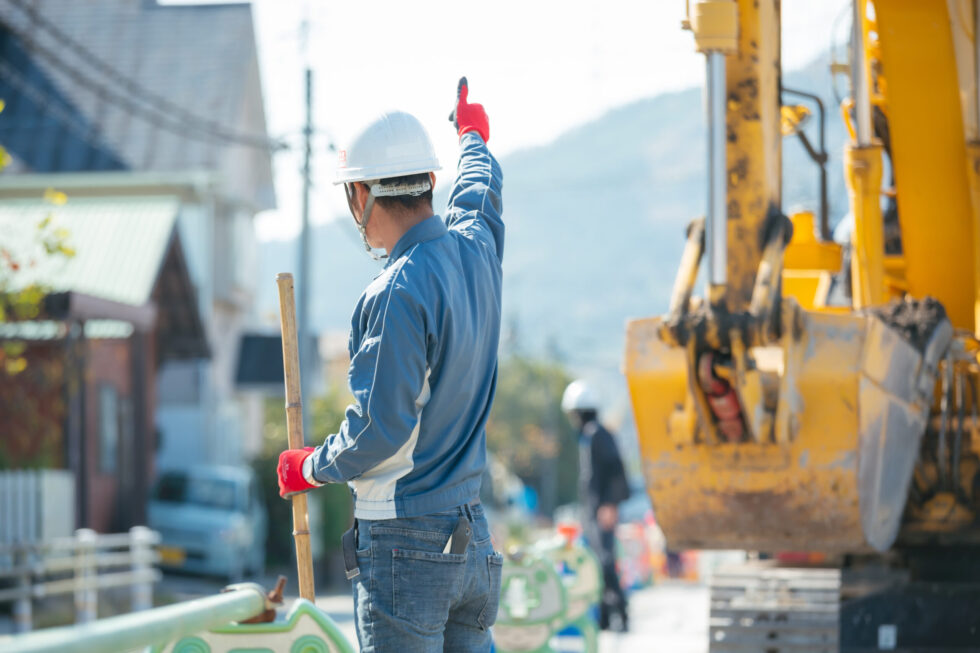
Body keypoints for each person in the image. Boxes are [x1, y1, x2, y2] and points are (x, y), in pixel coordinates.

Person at [276, 78, 504, 652]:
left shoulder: (396, 291)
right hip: (469, 535)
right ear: (430, 181)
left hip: (406, 545)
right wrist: (473, 137)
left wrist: (311, 467)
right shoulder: (477, 249)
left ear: (362, 196)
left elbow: (378, 430)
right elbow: (481, 188)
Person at [561, 379, 630, 632]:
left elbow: (615, 470)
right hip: (592, 512)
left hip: (602, 512)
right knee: (596, 564)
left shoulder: (599, 435)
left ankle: (621, 614)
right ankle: (603, 618)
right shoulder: (589, 437)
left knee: (606, 562)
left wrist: (610, 504)